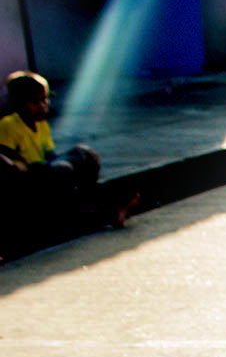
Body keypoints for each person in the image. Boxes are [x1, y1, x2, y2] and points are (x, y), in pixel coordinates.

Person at [0, 71, 136, 255]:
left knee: (84, 154)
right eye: (37, 102)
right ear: (20, 104)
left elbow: (49, 154)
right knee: (61, 172)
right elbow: (6, 156)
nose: (43, 106)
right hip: (27, 180)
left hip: (45, 172)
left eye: (45, 99)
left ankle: (97, 198)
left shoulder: (41, 125)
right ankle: (108, 213)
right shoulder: (9, 125)